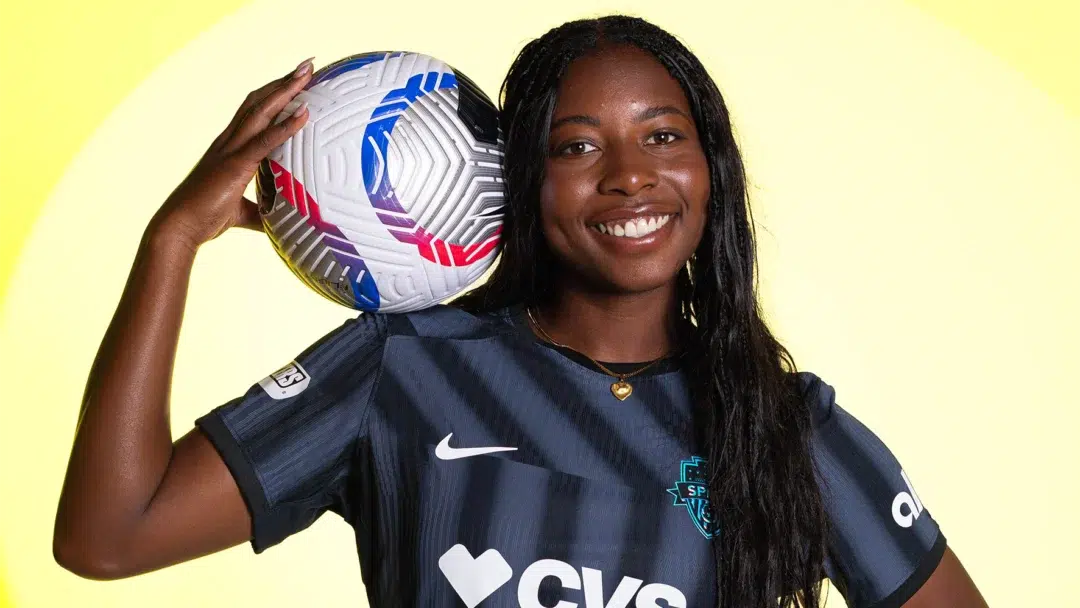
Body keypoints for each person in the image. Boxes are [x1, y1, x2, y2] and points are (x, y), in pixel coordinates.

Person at [53, 15, 987, 608]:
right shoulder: (403, 368)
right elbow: (108, 536)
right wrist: (171, 239)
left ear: (711, 170)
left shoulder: (790, 428)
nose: (630, 175)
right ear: (519, 181)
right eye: (578, 146)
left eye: (663, 136)